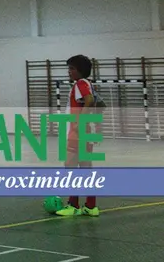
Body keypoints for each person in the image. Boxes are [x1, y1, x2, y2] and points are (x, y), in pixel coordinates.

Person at [56, 55, 100, 217]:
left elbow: (88, 101)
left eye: (72, 68)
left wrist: (79, 122)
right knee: (86, 169)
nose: (69, 72)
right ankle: (90, 206)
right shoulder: (87, 84)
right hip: (86, 132)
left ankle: (73, 205)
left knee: (70, 167)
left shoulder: (81, 84)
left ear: (81, 70)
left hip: (78, 133)